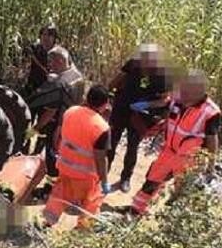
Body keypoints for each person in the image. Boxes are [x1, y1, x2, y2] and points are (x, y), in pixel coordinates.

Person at [131, 70, 221, 215]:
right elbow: (166, 105)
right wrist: (147, 106)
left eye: (186, 89)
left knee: (181, 191)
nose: (182, 92)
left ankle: (171, 220)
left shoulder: (211, 112)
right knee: (152, 180)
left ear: (198, 90)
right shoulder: (178, 98)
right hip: (169, 150)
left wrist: (211, 166)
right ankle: (136, 210)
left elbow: (212, 139)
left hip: (189, 159)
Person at [42, 85, 112, 230]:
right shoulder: (102, 127)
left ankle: (46, 223)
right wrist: (104, 181)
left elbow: (59, 134)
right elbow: (100, 158)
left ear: (86, 97)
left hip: (64, 166)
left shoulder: (70, 112)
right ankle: (81, 230)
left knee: (59, 195)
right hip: (86, 175)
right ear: (105, 105)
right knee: (92, 200)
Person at [107, 44, 170, 193]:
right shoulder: (133, 64)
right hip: (121, 108)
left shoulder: (162, 75)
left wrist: (147, 104)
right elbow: (116, 81)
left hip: (140, 115)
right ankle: (102, 173)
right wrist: (108, 97)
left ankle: (125, 178)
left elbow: (165, 100)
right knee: (111, 142)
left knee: (132, 146)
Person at [26, 46, 85, 175]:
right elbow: (80, 101)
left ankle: (50, 186)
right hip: (73, 122)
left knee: (53, 156)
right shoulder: (78, 76)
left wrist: (34, 129)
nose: (50, 66)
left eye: (51, 63)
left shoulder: (59, 83)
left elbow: (50, 112)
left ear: (60, 61)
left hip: (58, 126)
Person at [23, 25, 59, 97]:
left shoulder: (58, 52)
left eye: (50, 35)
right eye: (44, 34)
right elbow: (24, 65)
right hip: (33, 85)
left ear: (54, 38)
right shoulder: (34, 48)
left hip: (51, 88)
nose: (46, 37)